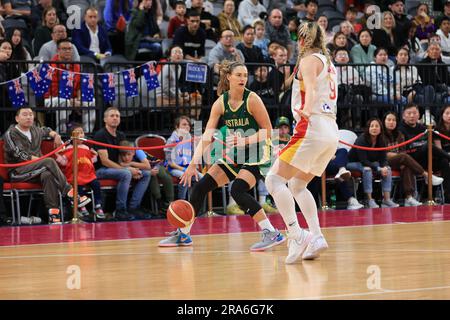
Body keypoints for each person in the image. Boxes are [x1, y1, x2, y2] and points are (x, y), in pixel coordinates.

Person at [159, 60, 286, 251]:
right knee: (201, 186)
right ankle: (184, 234)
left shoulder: (252, 100)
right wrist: (193, 163)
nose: (243, 78)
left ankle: (271, 232)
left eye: (245, 75)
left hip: (258, 151)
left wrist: (245, 140)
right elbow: (207, 135)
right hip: (236, 152)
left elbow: (269, 131)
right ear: (229, 77)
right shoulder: (221, 102)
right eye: (239, 75)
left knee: (238, 190)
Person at [265, 21, 339, 264]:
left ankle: (295, 234)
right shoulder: (329, 62)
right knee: (297, 185)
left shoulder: (308, 60)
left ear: (302, 40)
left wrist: (306, 109)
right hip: (330, 129)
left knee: (273, 180)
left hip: (312, 125)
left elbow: (310, 88)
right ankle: (316, 236)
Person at [3, 107, 91, 224]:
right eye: (25, 114)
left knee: (47, 175)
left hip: (38, 170)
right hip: (18, 171)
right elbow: (19, 154)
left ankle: (53, 214)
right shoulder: (10, 133)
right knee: (48, 161)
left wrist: (56, 135)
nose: (29, 117)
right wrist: (42, 160)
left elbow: (46, 129)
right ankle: (71, 194)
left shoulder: (35, 130)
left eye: (30, 114)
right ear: (17, 118)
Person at [94, 107, 151, 220]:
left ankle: (134, 207)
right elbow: (105, 161)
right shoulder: (100, 135)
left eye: (117, 116)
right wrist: (126, 170)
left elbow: (123, 157)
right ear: (105, 119)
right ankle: (120, 210)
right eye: (112, 116)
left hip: (118, 168)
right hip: (101, 170)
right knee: (126, 174)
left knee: (146, 173)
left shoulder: (121, 135)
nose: (115, 118)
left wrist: (130, 167)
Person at [383, 111, 443, 206]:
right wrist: (397, 155)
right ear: (384, 121)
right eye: (389, 120)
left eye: (393, 120)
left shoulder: (399, 134)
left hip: (399, 160)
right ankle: (426, 175)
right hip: (384, 162)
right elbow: (384, 154)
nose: (391, 122)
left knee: (406, 166)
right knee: (404, 157)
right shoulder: (381, 135)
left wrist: (397, 156)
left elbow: (402, 151)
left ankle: (409, 197)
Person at [44, 38, 96, 134]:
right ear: (58, 51)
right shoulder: (51, 67)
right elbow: (54, 89)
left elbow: (80, 86)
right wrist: (71, 100)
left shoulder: (76, 66)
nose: (68, 51)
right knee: (63, 101)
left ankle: (87, 133)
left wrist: (79, 99)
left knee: (91, 101)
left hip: (72, 99)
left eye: (70, 48)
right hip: (50, 98)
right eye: (64, 49)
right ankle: (61, 132)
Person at [55, 124, 105, 219]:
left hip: (88, 175)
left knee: (96, 184)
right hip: (75, 176)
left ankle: (98, 205)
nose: (81, 135)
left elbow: (90, 162)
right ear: (72, 136)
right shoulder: (68, 148)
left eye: (82, 132)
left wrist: (95, 155)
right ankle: (82, 206)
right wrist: (57, 155)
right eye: (78, 133)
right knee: (79, 186)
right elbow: (64, 163)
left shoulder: (86, 148)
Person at [347, 118, 399, 209]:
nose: (374, 128)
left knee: (388, 169)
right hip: (353, 163)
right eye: (372, 126)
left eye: (377, 126)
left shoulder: (382, 140)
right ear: (368, 128)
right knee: (367, 170)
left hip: (370, 163)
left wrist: (385, 166)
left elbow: (383, 158)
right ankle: (369, 200)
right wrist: (379, 168)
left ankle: (386, 200)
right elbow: (363, 161)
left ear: (380, 129)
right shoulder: (361, 140)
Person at [165, 116, 203, 201]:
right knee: (185, 176)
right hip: (173, 168)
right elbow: (170, 163)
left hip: (188, 167)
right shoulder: (171, 141)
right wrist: (186, 170)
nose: (187, 127)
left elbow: (195, 158)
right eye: (184, 124)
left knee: (202, 178)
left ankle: (195, 203)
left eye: (188, 125)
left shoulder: (191, 140)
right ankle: (181, 202)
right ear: (177, 126)